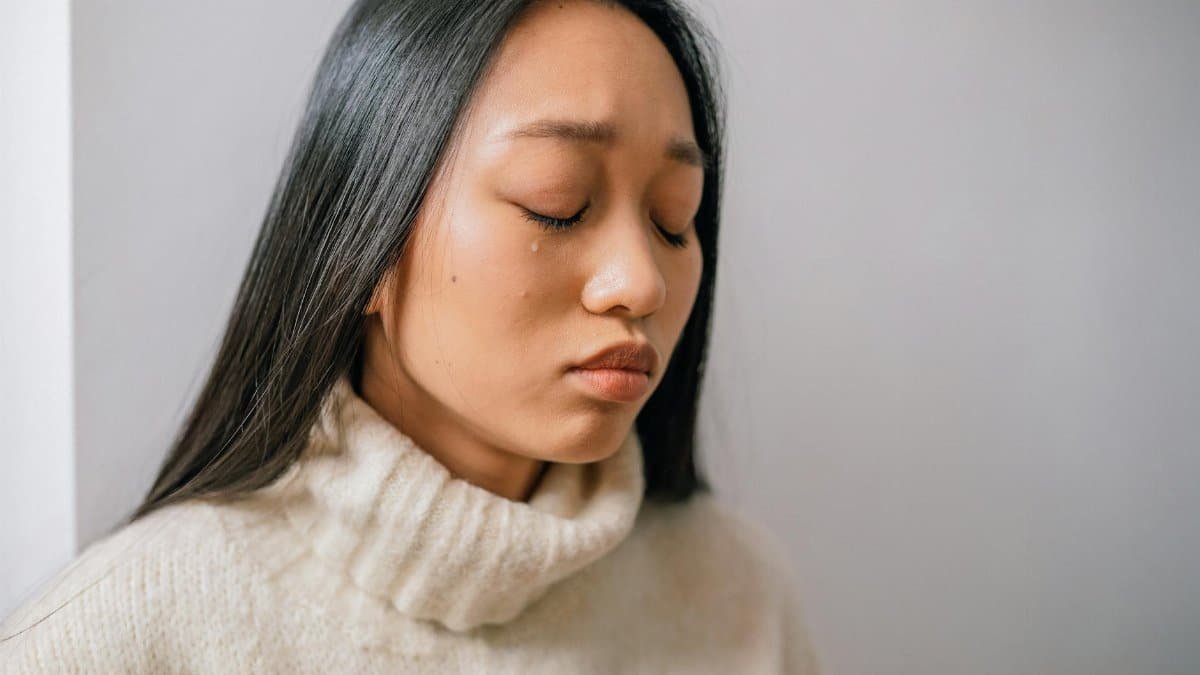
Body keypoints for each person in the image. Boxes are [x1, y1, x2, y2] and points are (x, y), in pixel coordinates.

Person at [0, 0, 821, 672]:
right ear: (366, 241)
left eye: (674, 219)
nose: (643, 280)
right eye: (558, 201)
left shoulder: (735, 592)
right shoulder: (132, 628)